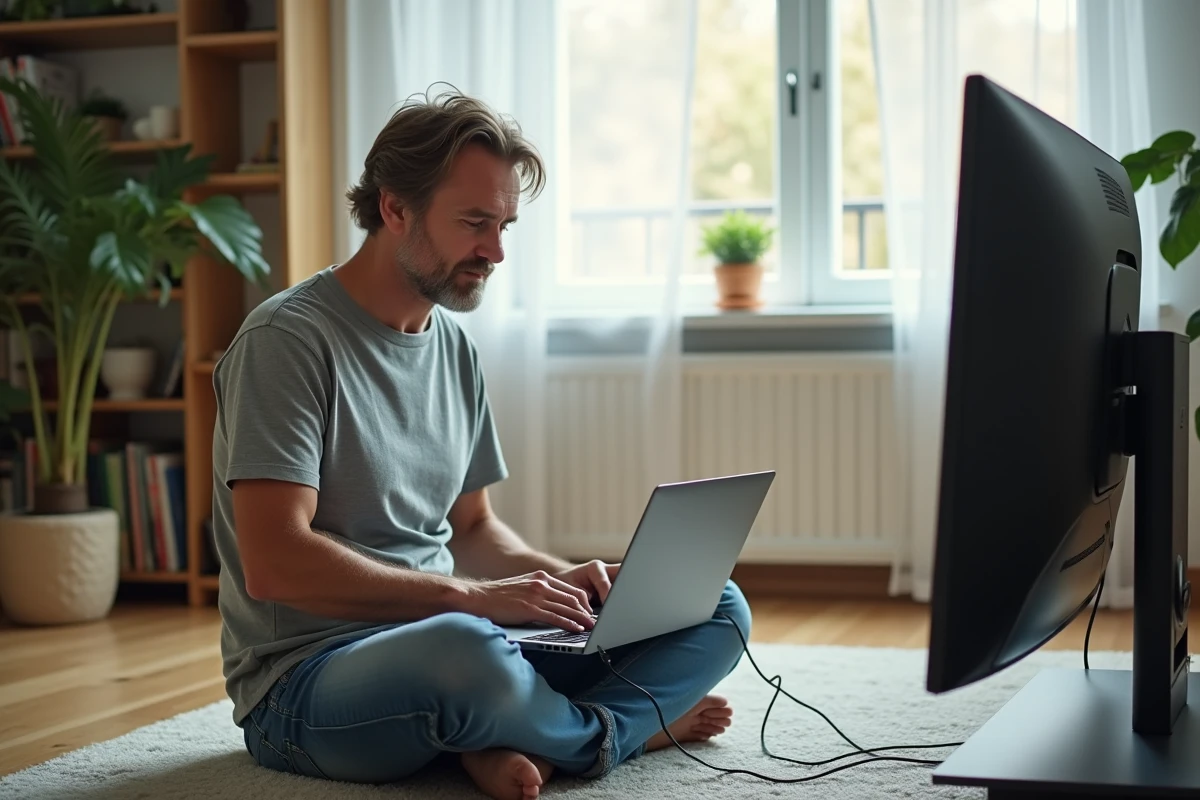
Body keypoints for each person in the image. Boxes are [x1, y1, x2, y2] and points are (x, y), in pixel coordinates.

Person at [211, 85, 753, 800]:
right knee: (466, 652)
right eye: (474, 222)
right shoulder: (288, 341)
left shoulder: (454, 349)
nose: (494, 251)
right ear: (395, 209)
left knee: (717, 604)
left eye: (504, 226)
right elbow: (275, 564)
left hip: (463, 637)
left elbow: (472, 528)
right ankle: (624, 732)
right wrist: (475, 600)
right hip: (308, 679)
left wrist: (567, 587)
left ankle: (519, 732)